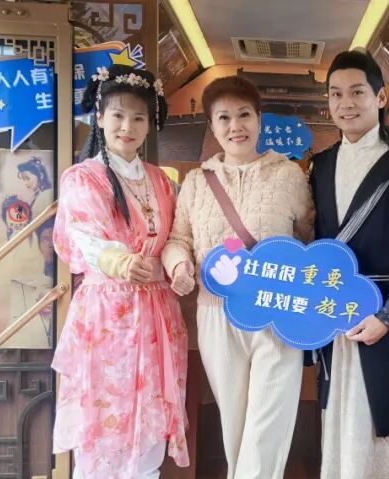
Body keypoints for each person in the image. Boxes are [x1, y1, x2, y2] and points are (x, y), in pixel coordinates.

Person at [161, 75, 314, 479]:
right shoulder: (197, 183)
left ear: (259, 120)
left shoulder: (290, 176)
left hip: (276, 313)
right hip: (217, 313)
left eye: (244, 115)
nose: (236, 126)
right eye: (224, 118)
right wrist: (179, 266)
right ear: (212, 127)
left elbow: (311, 239)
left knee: (267, 427)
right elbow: (178, 239)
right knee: (234, 425)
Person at [51, 65, 190, 479]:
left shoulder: (162, 182)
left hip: (157, 312)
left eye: (138, 117)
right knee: (105, 421)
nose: (127, 127)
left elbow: (174, 236)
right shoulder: (83, 178)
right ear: (99, 117)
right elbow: (84, 236)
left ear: (150, 124)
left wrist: (178, 265)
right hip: (108, 315)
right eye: (117, 115)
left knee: (150, 420)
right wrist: (122, 263)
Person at [308, 49, 389, 478]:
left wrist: (387, 317)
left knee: (388, 424)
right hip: (336, 315)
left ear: (380, 98)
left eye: (357, 92)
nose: (345, 103)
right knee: (341, 422)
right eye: (336, 94)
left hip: (387, 314)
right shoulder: (319, 166)